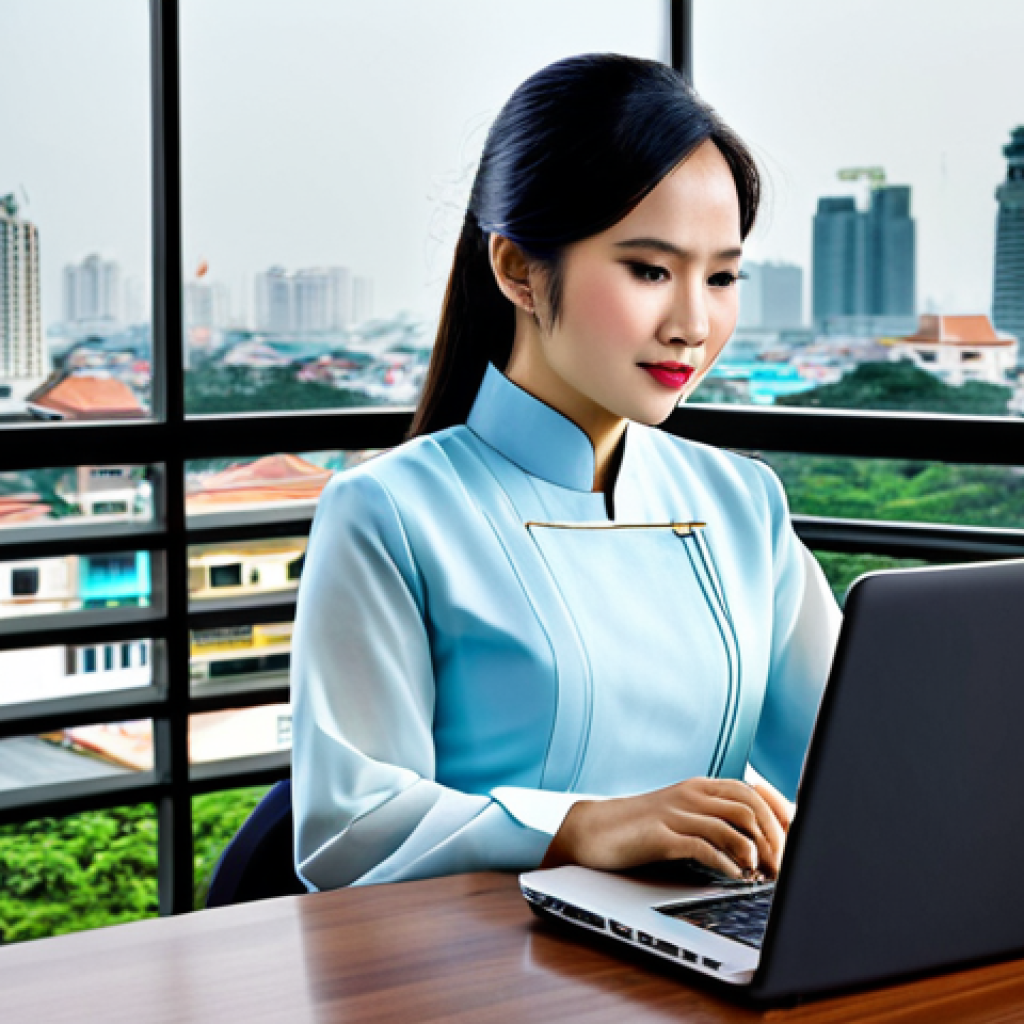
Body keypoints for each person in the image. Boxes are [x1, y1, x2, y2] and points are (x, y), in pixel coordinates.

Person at [291, 53, 841, 892]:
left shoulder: (742, 504)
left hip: (703, 957)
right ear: (516, 267)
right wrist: (582, 827)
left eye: (722, 277)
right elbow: (346, 831)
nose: (693, 323)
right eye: (650, 270)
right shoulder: (386, 512)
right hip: (489, 977)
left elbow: (866, 763)